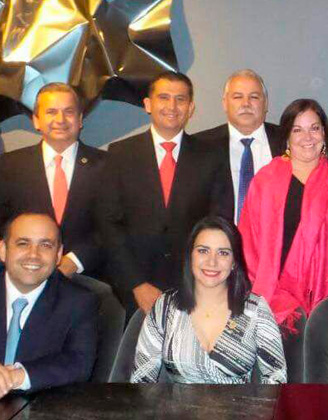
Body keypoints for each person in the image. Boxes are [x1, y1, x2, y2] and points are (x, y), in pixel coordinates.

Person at [100, 71, 231, 314]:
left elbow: (217, 221)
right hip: (133, 289)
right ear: (148, 104)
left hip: (193, 285)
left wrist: (200, 279)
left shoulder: (211, 156)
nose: (172, 106)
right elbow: (108, 224)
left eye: (180, 99)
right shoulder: (121, 153)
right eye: (163, 97)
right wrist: (136, 283)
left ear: (190, 108)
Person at [130, 216, 286, 384]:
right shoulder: (165, 306)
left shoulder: (255, 309)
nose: (212, 262)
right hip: (177, 402)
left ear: (234, 262)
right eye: (203, 251)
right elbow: (142, 379)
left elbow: (276, 377)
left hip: (239, 401)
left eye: (223, 253)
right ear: (191, 256)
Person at [238, 98, 328, 330]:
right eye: (297, 130)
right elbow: (247, 241)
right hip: (267, 298)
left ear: (324, 133)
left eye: (314, 128)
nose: (307, 137)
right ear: (287, 137)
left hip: (323, 301)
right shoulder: (265, 180)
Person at [0, 83, 107, 279]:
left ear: (80, 119)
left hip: (88, 279)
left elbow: (113, 225)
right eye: (51, 112)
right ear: (36, 120)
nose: (60, 120)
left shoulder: (109, 166)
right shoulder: (7, 166)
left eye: (69, 112)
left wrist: (74, 262)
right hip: (21, 278)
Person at [0, 213, 98, 396]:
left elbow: (79, 363)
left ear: (59, 254)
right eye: (23, 243)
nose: (33, 255)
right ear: (3, 250)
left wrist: (15, 377)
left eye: (45, 245)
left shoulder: (78, 301)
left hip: (36, 405)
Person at [194, 69, 284, 223]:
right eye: (237, 97)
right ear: (225, 103)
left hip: (277, 237)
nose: (246, 103)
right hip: (220, 236)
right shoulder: (199, 146)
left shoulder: (289, 141)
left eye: (254, 97)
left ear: (266, 103)